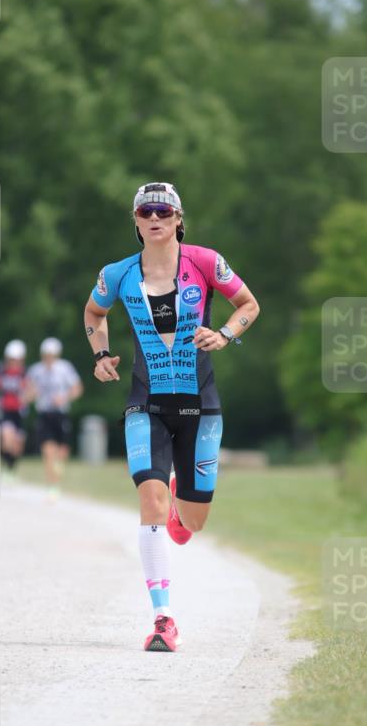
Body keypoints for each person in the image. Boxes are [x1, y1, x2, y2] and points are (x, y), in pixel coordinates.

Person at [84, 182, 259, 653]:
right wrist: (100, 355)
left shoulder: (204, 262)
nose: (155, 216)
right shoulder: (117, 274)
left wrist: (224, 335)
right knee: (151, 503)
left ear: (179, 218)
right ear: (137, 222)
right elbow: (94, 313)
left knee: (193, 523)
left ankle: (182, 503)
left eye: (164, 209)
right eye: (146, 210)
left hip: (202, 408)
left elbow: (249, 305)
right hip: (147, 405)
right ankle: (163, 619)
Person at [26, 337, 83, 498]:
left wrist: (64, 397)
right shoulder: (35, 371)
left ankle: (57, 470)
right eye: (46, 355)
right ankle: (52, 486)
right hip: (44, 413)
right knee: (48, 451)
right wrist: (32, 394)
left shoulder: (65, 368)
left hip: (61, 413)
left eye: (51, 355)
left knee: (62, 451)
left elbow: (77, 389)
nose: (48, 358)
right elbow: (27, 394)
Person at [0, 339, 28, 475]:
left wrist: (26, 397)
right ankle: (5, 467)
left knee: (17, 444)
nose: (14, 362)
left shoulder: (24, 373)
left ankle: (11, 468)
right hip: (4, 410)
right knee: (6, 436)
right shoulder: (0, 371)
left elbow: (33, 389)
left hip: (19, 412)